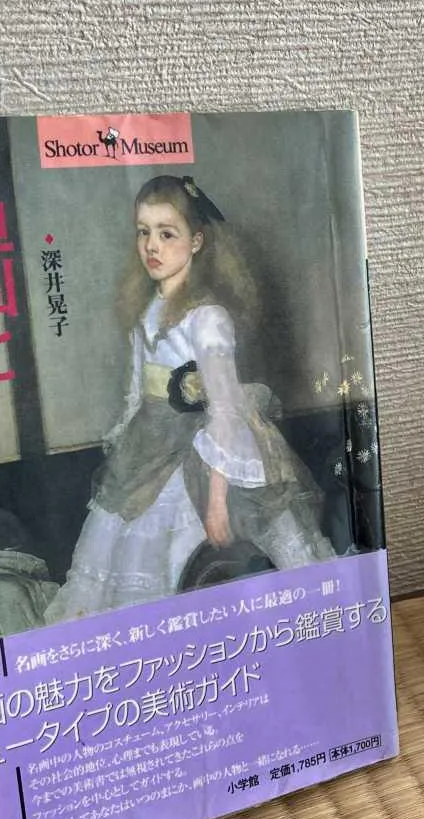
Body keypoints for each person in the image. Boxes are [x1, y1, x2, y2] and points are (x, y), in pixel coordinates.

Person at [43, 175, 334, 623]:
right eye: (144, 232)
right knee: (118, 561)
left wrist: (217, 502)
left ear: (196, 241)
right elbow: (137, 393)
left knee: (192, 562)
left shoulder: (208, 318)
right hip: (149, 448)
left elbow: (224, 411)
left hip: (203, 454)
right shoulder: (146, 311)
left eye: (167, 234)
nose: (152, 246)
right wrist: (127, 447)